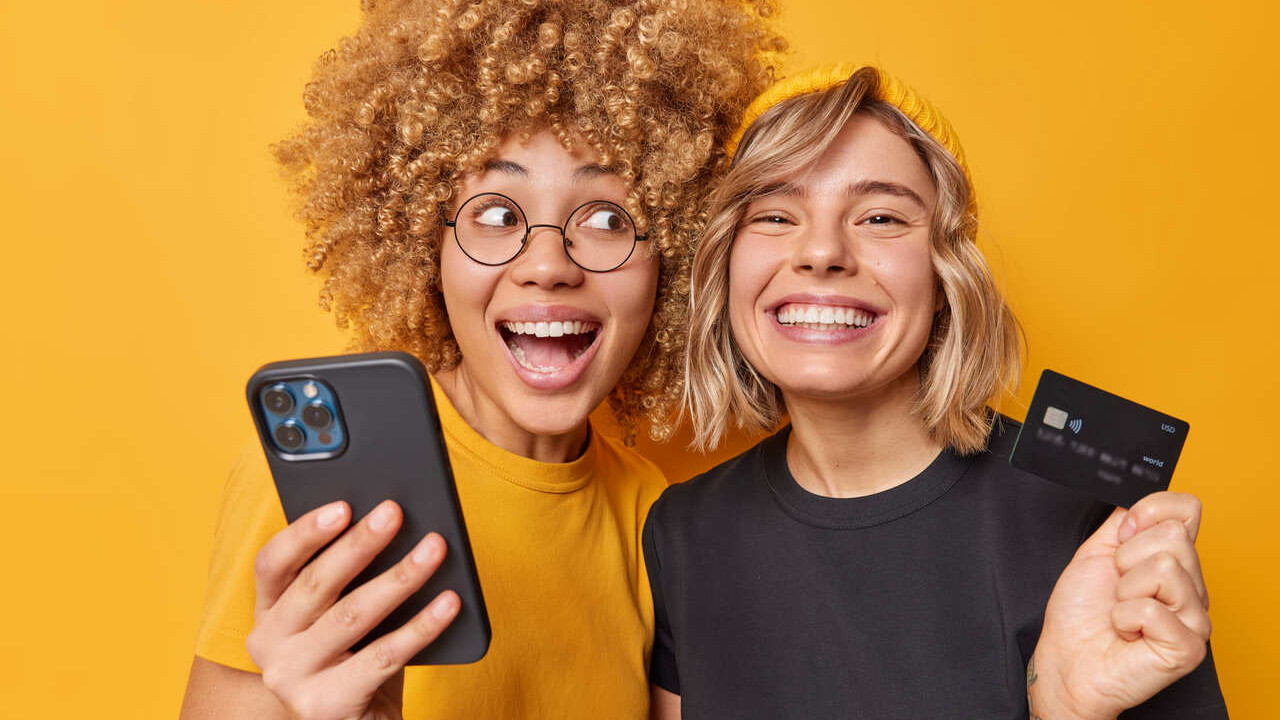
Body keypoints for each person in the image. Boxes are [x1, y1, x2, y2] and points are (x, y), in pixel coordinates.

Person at [177, 2, 782, 718]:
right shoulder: (314, 488)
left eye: (608, 218)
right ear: (421, 244)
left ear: (675, 257)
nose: (548, 266)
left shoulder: (655, 515)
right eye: (497, 215)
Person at [644, 64, 1227, 719]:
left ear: (947, 273)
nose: (822, 251)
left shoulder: (1088, 522)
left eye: (881, 216)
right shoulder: (682, 533)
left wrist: (1065, 710)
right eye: (776, 214)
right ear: (725, 265)